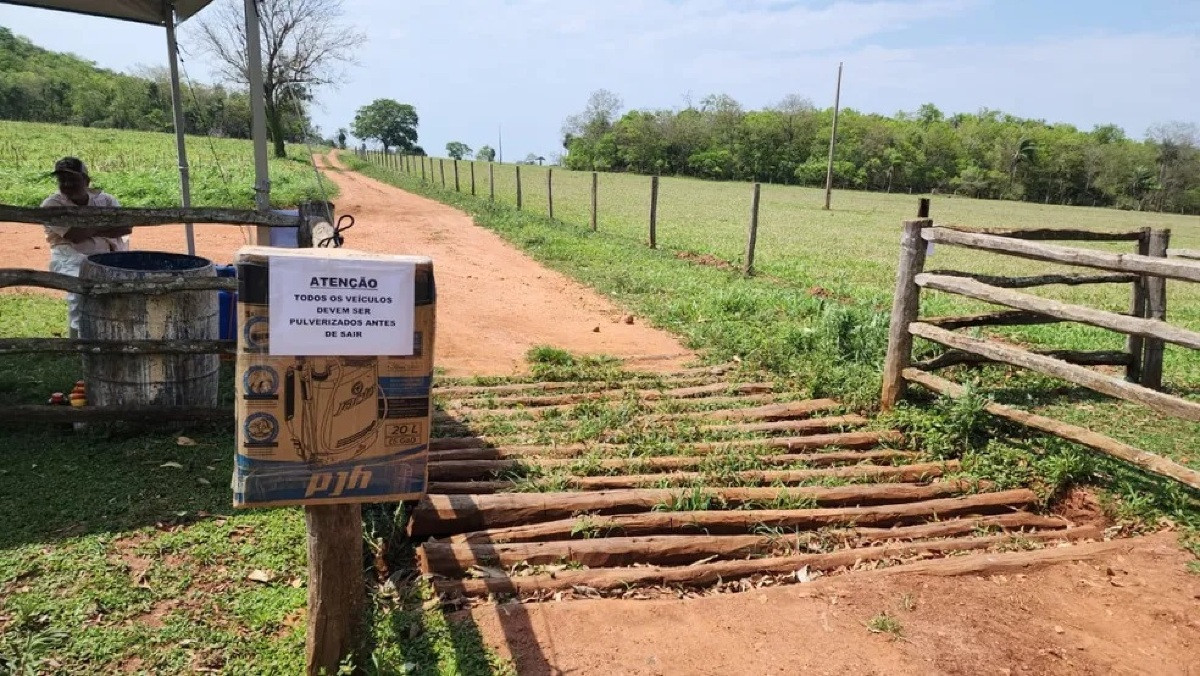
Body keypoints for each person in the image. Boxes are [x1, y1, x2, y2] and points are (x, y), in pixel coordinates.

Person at [41, 157, 131, 337]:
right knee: (79, 294)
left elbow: (126, 227)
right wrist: (105, 226)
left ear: (86, 180)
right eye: (62, 179)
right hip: (70, 256)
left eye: (73, 179)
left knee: (119, 295)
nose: (67, 184)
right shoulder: (52, 204)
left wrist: (89, 228)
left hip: (110, 254)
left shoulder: (105, 200)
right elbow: (75, 235)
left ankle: (108, 337)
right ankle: (80, 343)